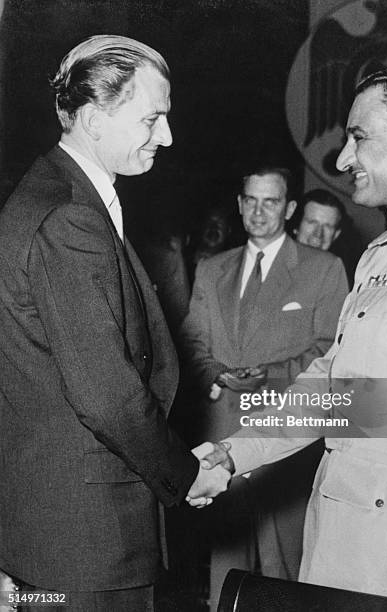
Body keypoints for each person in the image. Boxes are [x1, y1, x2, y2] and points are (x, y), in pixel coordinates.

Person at [193, 65, 387, 610]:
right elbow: (338, 397)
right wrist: (232, 455)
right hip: (345, 553)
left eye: (359, 137)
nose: (344, 160)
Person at [0, 34, 230, 612]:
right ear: (95, 116)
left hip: (56, 537)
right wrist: (183, 474)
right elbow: (105, 394)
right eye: (151, 118)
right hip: (85, 548)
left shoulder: (52, 194)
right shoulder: (69, 218)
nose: (167, 136)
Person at [181, 165, 348, 608]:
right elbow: (191, 340)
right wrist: (213, 371)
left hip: (285, 445)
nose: (258, 211)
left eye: (270, 201)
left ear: (289, 208)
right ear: (239, 205)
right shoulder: (212, 268)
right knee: (224, 572)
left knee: (285, 573)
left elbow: (331, 350)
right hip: (221, 439)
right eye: (250, 200)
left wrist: (269, 374)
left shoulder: (324, 269)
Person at [290, 187, 362, 287]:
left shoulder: (339, 280)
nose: (318, 233)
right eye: (312, 222)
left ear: (336, 234)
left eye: (328, 226)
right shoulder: (271, 264)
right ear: (296, 226)